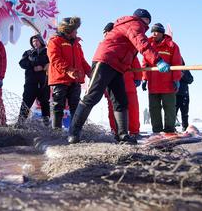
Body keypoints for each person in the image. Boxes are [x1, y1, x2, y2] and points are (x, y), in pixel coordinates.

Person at [68, 9, 171, 144]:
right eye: (147, 21)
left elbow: (129, 52)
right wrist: (158, 60)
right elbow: (141, 43)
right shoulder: (134, 24)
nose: (147, 25)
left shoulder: (132, 25)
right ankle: (73, 132)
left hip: (118, 67)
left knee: (121, 101)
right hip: (105, 61)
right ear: (142, 18)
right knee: (92, 96)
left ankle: (122, 135)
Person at [47, 17, 91, 130]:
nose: (76, 32)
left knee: (75, 106)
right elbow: (55, 59)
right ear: (67, 30)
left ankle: (75, 131)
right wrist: (68, 70)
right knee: (58, 105)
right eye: (75, 30)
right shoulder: (54, 41)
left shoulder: (77, 44)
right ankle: (56, 131)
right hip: (60, 79)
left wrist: (90, 72)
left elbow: (82, 60)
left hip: (75, 79)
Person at [102, 22, 143, 138]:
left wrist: (138, 77)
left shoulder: (124, 45)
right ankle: (115, 131)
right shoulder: (102, 46)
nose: (105, 34)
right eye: (104, 33)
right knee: (113, 108)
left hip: (128, 83)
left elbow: (135, 61)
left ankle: (134, 131)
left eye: (107, 32)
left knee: (133, 107)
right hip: (110, 84)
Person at [142, 23, 182, 134]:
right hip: (153, 84)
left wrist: (176, 79)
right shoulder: (148, 46)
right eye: (152, 31)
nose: (154, 34)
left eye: (157, 31)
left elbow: (177, 64)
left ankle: (169, 131)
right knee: (154, 109)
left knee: (169, 109)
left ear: (162, 33)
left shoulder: (172, 46)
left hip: (168, 85)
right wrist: (144, 78)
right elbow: (145, 63)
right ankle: (157, 132)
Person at [17, 34, 50, 127]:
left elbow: (51, 62)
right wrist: (33, 65)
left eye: (37, 41)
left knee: (45, 102)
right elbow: (22, 63)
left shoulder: (48, 52)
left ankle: (46, 123)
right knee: (26, 101)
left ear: (41, 41)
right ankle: (20, 122)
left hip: (44, 82)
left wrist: (43, 67)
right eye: (33, 41)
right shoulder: (28, 53)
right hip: (30, 82)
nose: (35, 43)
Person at [175, 58, 194, 131]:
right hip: (174, 95)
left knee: (185, 113)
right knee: (173, 113)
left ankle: (185, 127)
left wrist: (183, 75)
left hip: (184, 95)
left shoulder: (185, 70)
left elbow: (191, 80)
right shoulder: (173, 69)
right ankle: (171, 128)